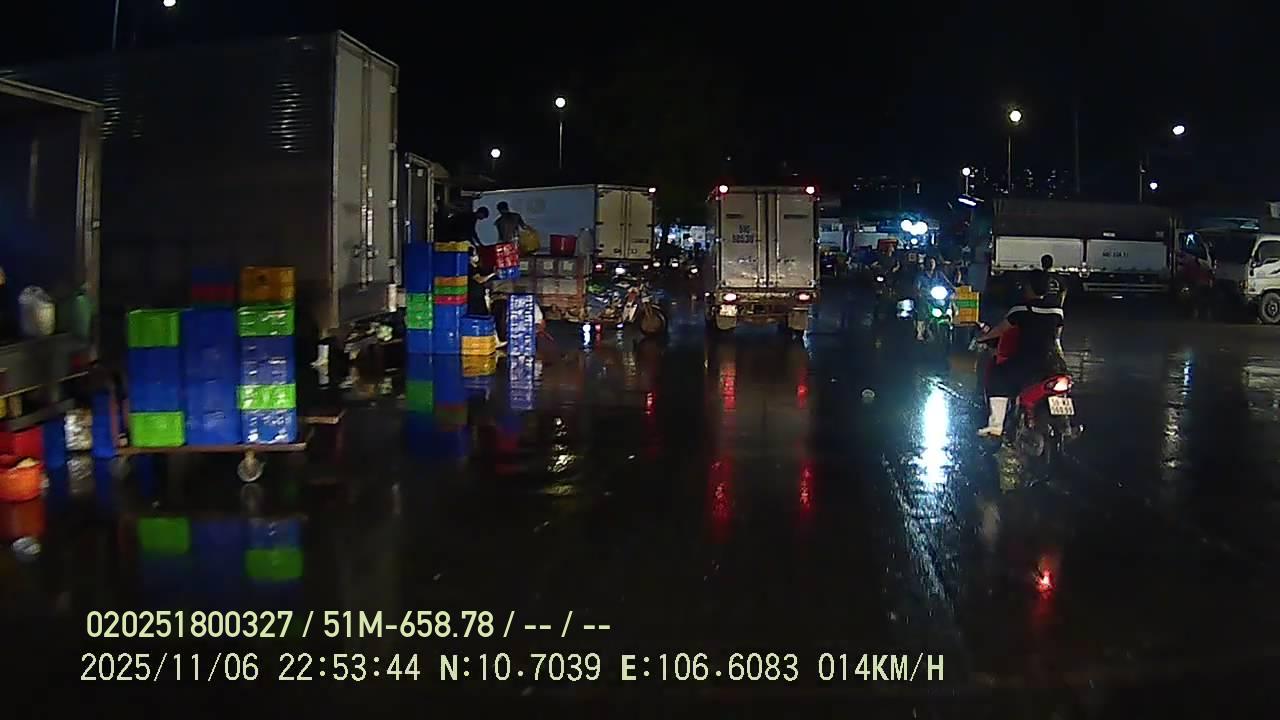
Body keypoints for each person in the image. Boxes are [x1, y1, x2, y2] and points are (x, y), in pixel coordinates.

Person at [974, 270, 1065, 437]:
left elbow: (1001, 330)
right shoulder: (1057, 310)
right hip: (1053, 363)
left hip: (1027, 362)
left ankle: (996, 426)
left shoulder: (1021, 309)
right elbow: (1057, 336)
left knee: (997, 376)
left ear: (1028, 287)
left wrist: (982, 338)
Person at [913, 255, 953, 340]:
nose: (931, 264)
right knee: (922, 309)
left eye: (933, 262)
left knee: (950, 302)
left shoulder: (939, 274)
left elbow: (948, 284)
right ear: (925, 264)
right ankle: (920, 332)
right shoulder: (920, 276)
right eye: (929, 262)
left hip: (938, 298)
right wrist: (919, 293)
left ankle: (950, 320)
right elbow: (916, 288)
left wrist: (952, 291)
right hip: (927, 299)